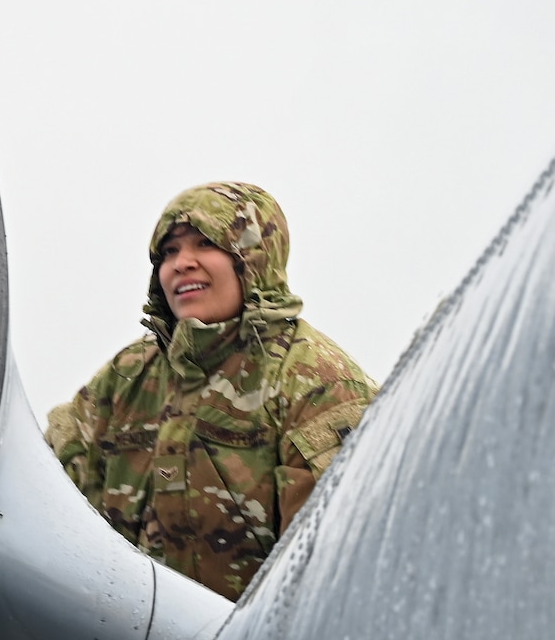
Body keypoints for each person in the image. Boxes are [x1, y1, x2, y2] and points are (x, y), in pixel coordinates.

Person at [45, 183, 377, 601]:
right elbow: (50, 494)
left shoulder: (318, 381)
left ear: (253, 257)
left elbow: (339, 571)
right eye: (168, 252)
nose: (182, 264)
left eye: (205, 243)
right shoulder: (127, 376)